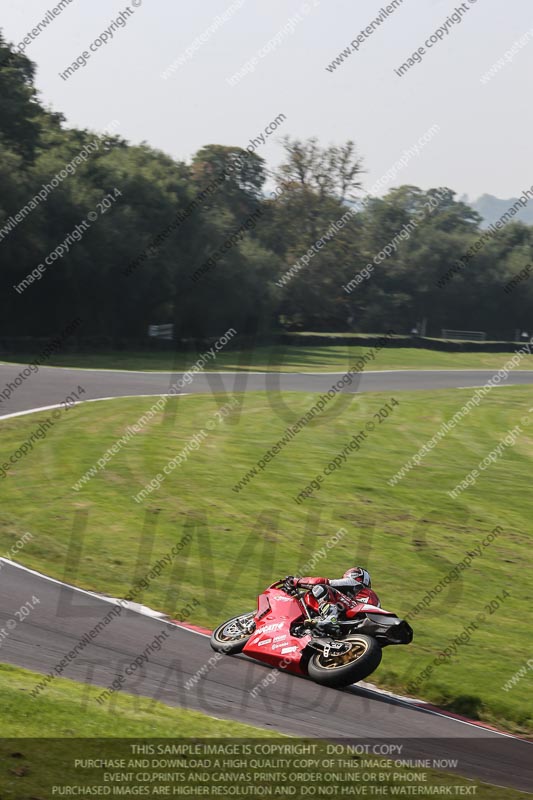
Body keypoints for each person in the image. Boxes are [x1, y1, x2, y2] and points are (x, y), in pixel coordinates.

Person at [283, 567, 380, 634]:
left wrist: (296, 581)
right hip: (359, 622)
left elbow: (323, 582)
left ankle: (330, 618)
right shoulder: (370, 596)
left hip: (356, 613)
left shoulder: (355, 583)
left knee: (321, 588)